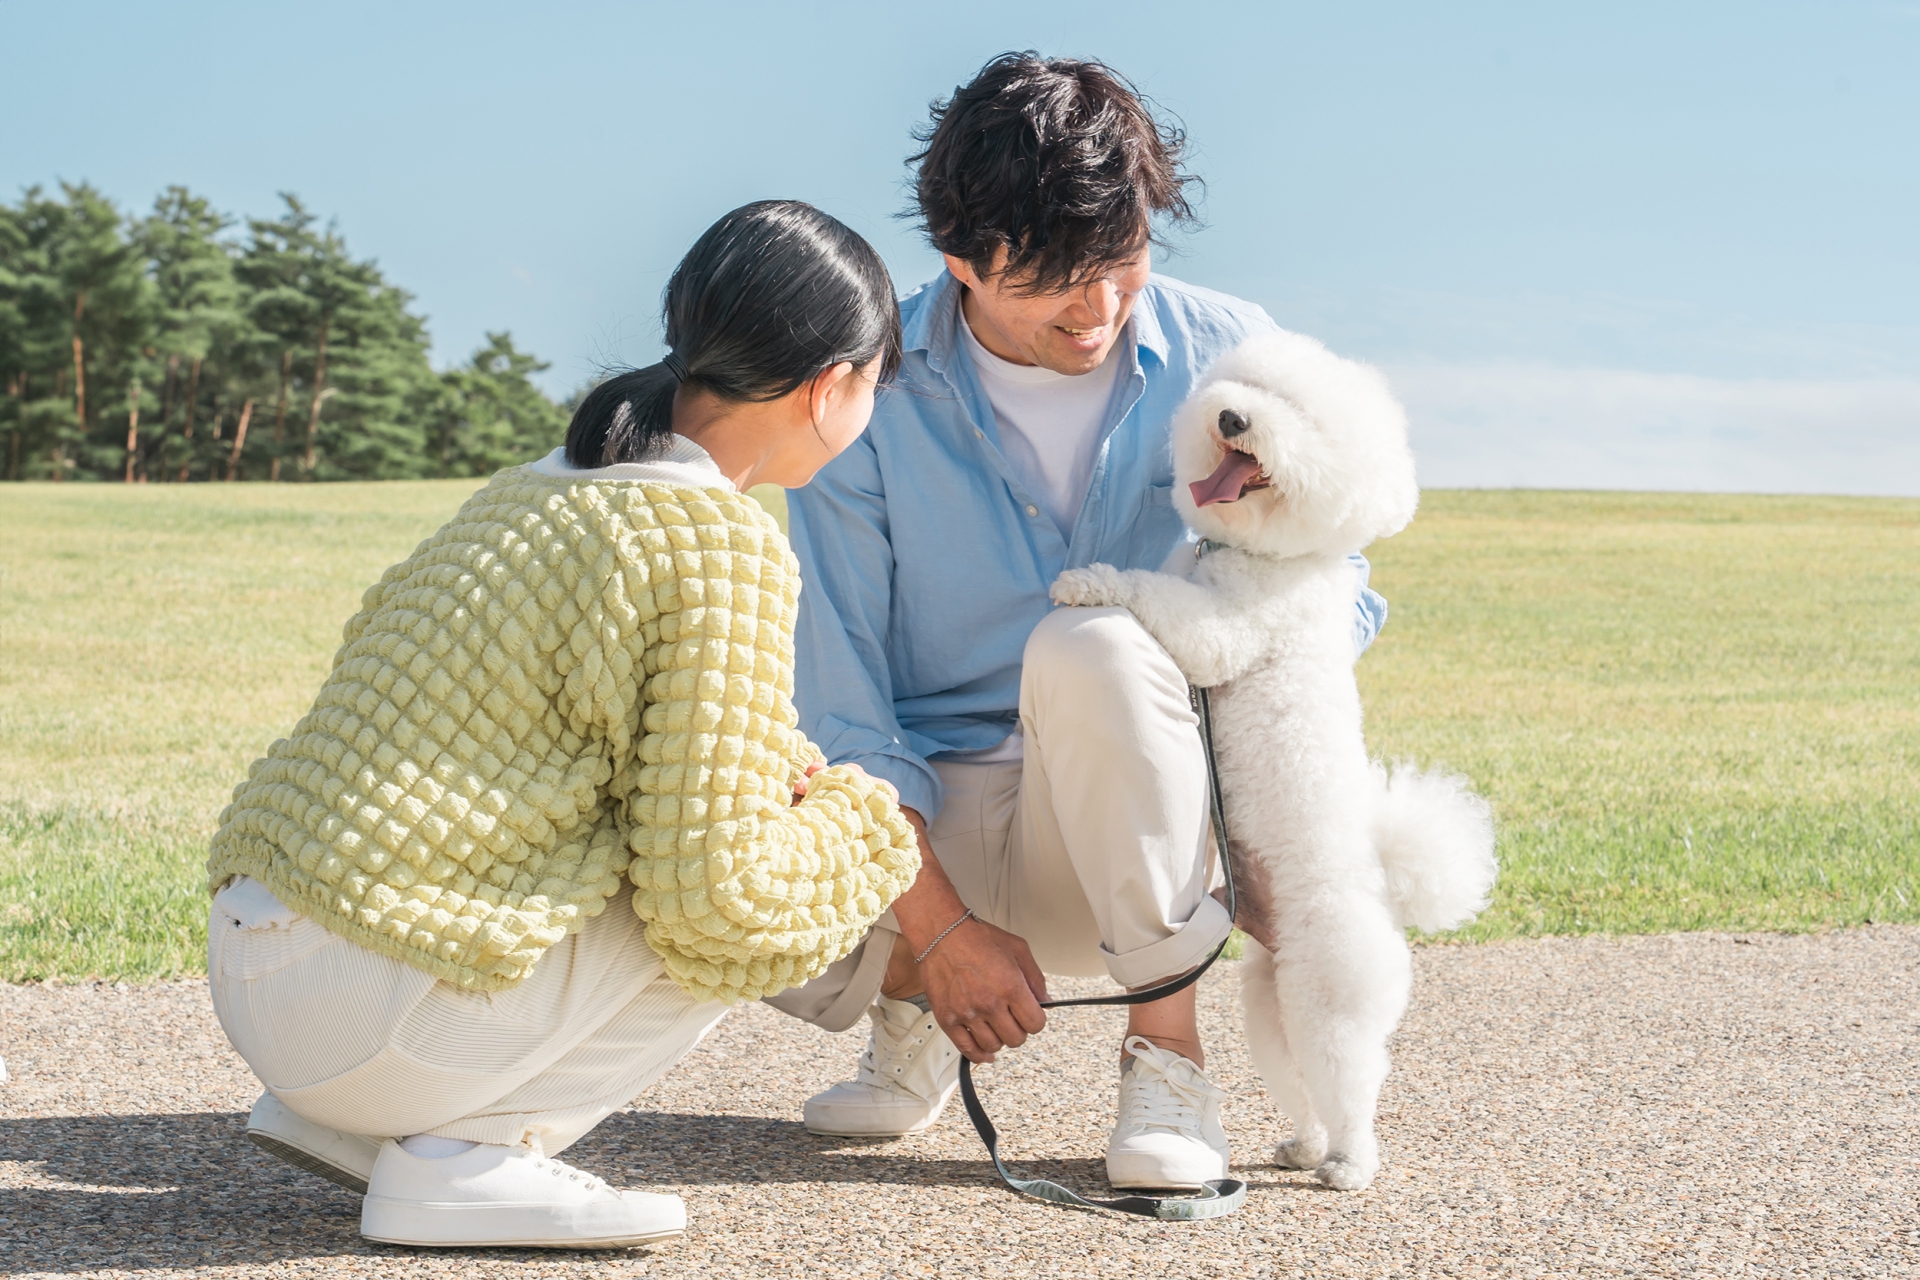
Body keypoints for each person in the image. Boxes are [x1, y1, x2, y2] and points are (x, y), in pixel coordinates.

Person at [204, 200, 919, 1250]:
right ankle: (466, 1153)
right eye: (877, 385)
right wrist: (868, 823)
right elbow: (721, 897)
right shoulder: (719, 538)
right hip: (372, 1007)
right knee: (734, 885)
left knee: (693, 832)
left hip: (266, 970)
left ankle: (381, 1125)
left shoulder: (539, 484)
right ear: (832, 387)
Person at [770, 54, 1388, 1191]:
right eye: (1054, 279)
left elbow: (1330, 581)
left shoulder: (1230, 349)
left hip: (1144, 831)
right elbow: (838, 695)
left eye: (1122, 264)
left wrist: (1267, 817)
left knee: (1093, 639)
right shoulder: (865, 393)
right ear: (958, 258)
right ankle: (909, 1002)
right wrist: (941, 930)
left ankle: (1168, 1057)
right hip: (924, 843)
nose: (1099, 310)